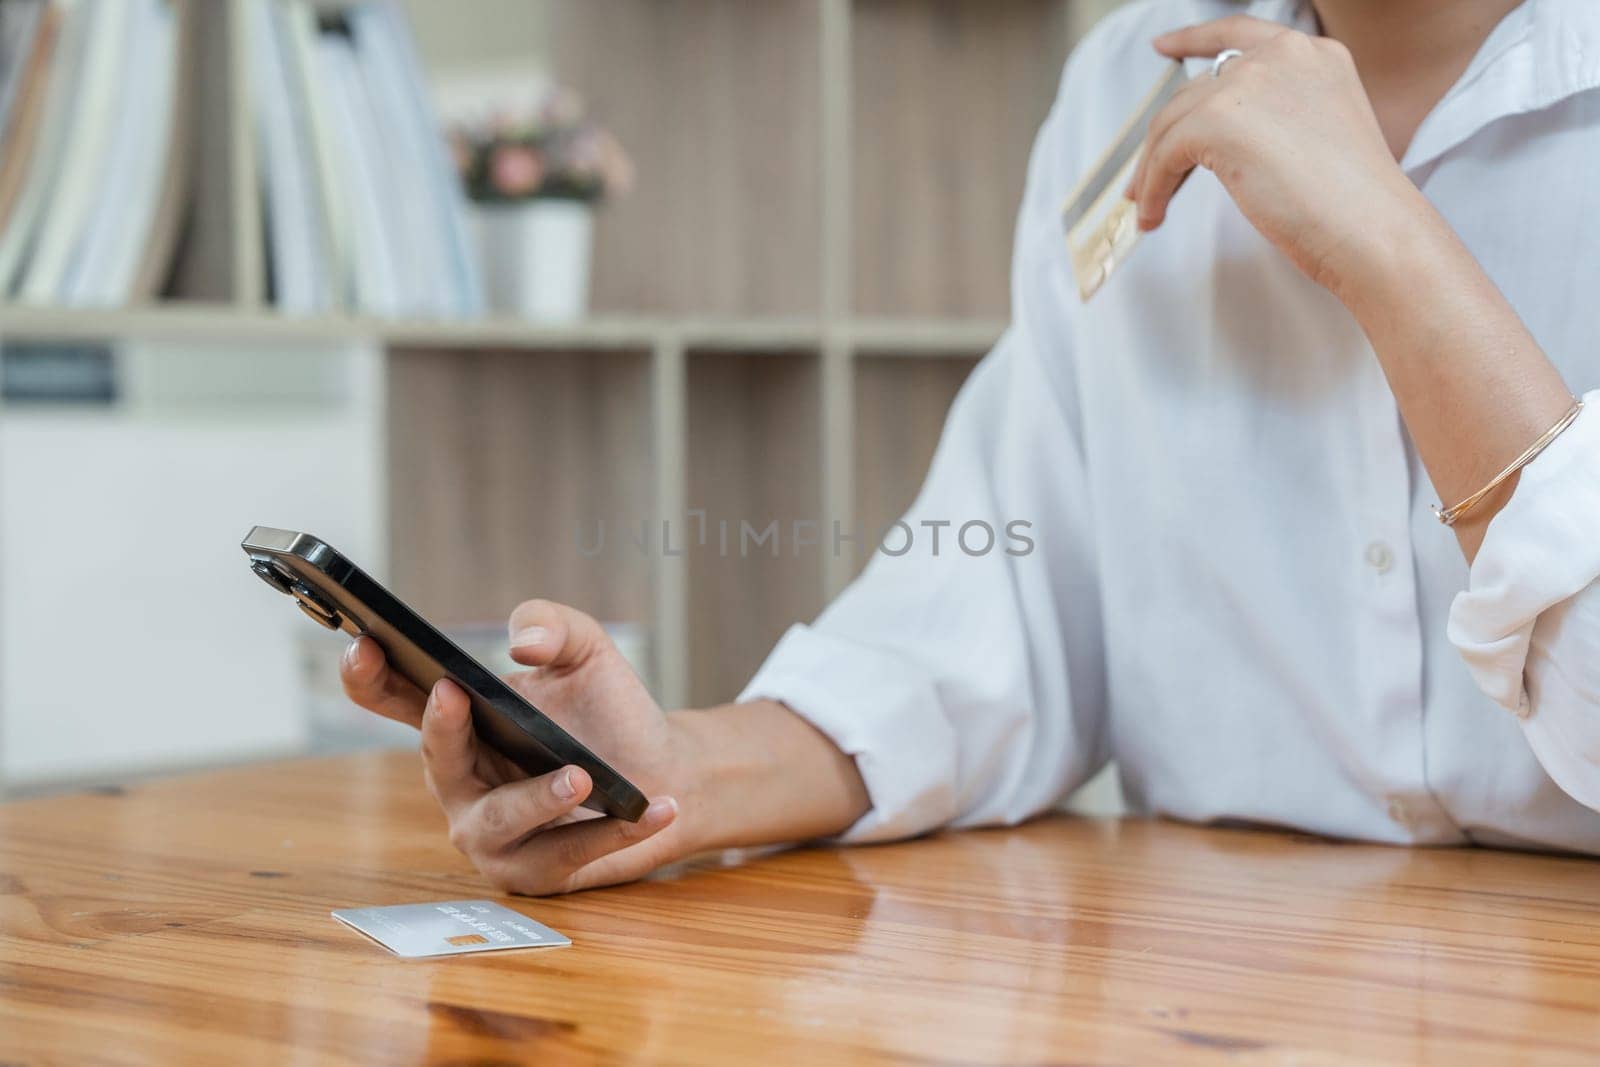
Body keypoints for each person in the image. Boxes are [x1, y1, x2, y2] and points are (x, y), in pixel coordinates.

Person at [343, 0, 1600, 895]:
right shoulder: (1132, 78)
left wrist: (1391, 248)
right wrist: (674, 774)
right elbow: (998, 618)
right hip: (1210, 976)